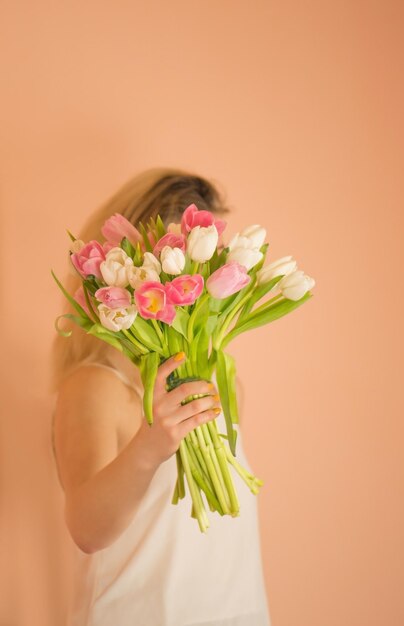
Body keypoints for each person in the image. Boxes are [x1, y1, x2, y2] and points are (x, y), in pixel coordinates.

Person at [50, 167, 272, 626]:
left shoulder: (222, 380)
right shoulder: (97, 384)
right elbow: (86, 530)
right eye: (196, 258)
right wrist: (149, 446)